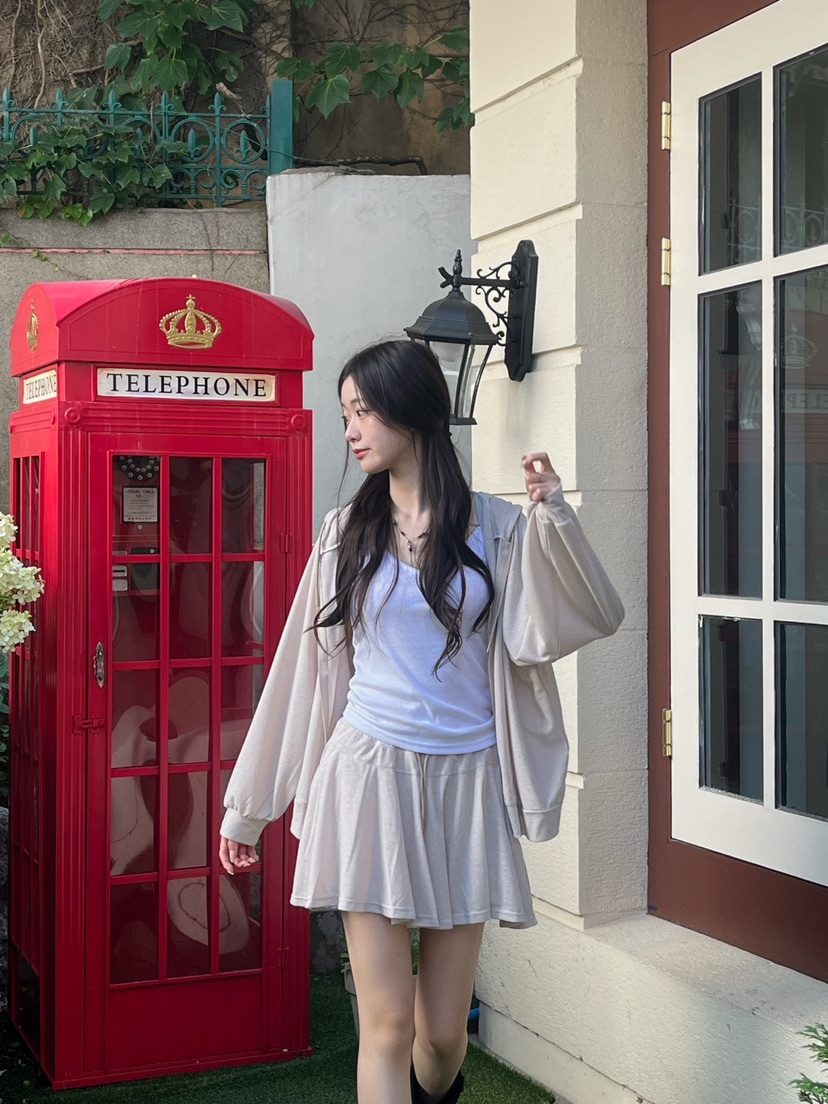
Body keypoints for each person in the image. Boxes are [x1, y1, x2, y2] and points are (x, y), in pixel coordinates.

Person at [218, 339, 624, 1104]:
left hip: (468, 783)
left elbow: (589, 616)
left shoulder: (500, 528)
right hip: (368, 778)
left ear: (413, 411)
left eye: (363, 411)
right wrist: (249, 808)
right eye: (346, 413)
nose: (350, 430)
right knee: (386, 1023)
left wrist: (556, 518)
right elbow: (299, 677)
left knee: (439, 1036)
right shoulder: (345, 532)